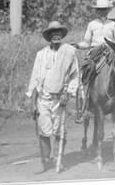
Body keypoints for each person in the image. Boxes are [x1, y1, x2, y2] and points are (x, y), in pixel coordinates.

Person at [26, 21, 79, 173]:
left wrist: (68, 94)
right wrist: (33, 103)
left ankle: (58, 159)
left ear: (62, 35)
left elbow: (75, 76)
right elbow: (35, 78)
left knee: (59, 131)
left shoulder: (69, 52)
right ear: (49, 36)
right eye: (52, 33)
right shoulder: (41, 55)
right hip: (43, 98)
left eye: (59, 32)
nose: (56, 35)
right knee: (44, 130)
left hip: (59, 99)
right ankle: (45, 160)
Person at [74, 0, 115, 123]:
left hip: (109, 52)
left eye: (104, 10)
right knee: (86, 73)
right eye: (100, 10)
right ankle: (84, 106)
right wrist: (78, 45)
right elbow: (87, 42)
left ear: (108, 10)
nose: (102, 12)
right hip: (95, 54)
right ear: (96, 11)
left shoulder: (113, 25)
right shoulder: (92, 24)